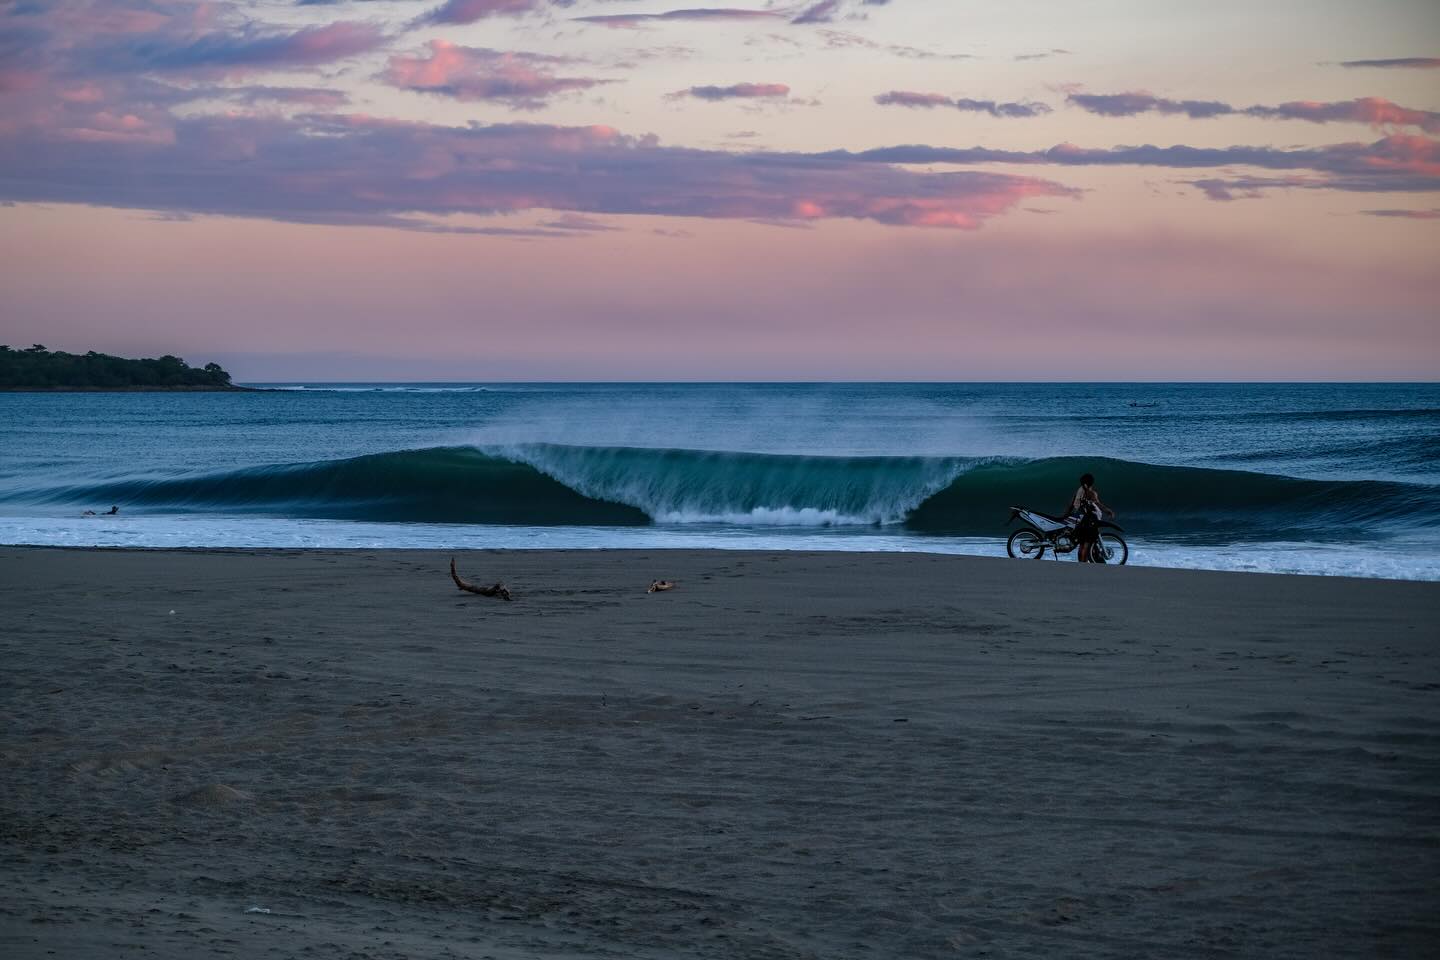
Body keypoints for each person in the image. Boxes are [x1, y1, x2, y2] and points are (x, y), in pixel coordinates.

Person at [1066, 473, 1114, 562]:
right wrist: (1108, 511)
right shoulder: (1091, 493)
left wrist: (1066, 515)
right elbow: (1098, 504)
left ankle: (1081, 563)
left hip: (1079, 520)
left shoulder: (1078, 491)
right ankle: (1085, 564)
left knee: (1082, 543)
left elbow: (1071, 504)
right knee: (1087, 543)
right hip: (1089, 520)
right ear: (1092, 483)